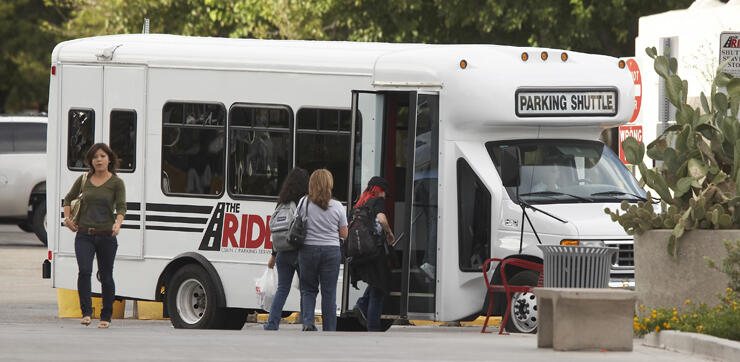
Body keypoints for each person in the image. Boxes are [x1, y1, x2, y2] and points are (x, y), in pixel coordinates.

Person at [62, 143, 126, 329]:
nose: (99, 160)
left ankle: (106, 316)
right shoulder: (84, 179)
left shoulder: (116, 182)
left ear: (109, 159)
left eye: (102, 156)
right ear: (90, 160)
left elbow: (122, 206)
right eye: (95, 157)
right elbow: (68, 199)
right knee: (84, 271)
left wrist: (118, 223)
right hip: (84, 235)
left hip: (107, 235)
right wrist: (67, 219)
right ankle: (86, 313)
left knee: (106, 276)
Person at [298, 169, 348, 331]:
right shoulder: (338, 206)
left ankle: (308, 323)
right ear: (330, 184)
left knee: (308, 289)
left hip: (307, 250)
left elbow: (297, 225)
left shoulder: (303, 202)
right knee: (329, 293)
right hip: (331, 251)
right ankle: (330, 328)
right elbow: (344, 233)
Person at [264, 167, 309, 330]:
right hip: (298, 251)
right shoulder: (302, 201)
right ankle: (307, 323)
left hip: (282, 252)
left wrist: (273, 255)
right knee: (305, 290)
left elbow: (278, 231)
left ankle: (272, 323)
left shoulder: (282, 201)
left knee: (282, 289)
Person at [350, 176, 395, 331]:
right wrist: (389, 234)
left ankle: (361, 304)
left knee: (376, 284)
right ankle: (373, 329)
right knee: (379, 292)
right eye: (384, 193)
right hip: (376, 252)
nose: (385, 196)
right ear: (379, 191)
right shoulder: (378, 201)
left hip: (363, 252)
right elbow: (382, 220)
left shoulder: (360, 203)